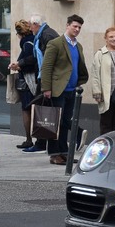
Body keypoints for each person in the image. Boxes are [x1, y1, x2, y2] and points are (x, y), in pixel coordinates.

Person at [40, 14, 89, 165]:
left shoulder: (77, 45)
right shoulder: (56, 43)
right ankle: (54, 154)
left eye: (79, 27)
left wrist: (79, 82)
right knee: (56, 122)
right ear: (67, 25)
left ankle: (64, 153)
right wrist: (46, 88)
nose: (77, 29)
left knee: (65, 121)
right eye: (74, 26)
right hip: (57, 90)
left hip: (71, 90)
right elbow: (46, 67)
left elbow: (78, 66)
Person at [10, 14, 60, 153]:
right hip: (40, 79)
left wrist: (20, 64)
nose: (31, 28)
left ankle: (36, 142)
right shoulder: (39, 37)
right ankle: (40, 142)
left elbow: (40, 61)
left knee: (35, 109)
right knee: (42, 109)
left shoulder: (38, 38)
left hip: (35, 81)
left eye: (32, 25)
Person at [8, 20, 38, 149]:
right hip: (34, 80)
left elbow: (32, 61)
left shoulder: (27, 43)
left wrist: (18, 65)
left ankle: (29, 139)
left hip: (28, 81)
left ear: (20, 33)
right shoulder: (35, 39)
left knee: (26, 109)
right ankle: (36, 138)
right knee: (33, 109)